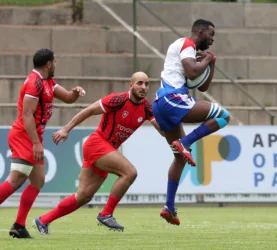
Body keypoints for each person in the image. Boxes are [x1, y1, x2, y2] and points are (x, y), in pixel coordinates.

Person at [33, 72, 163, 234]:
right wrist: (66, 129)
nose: (143, 87)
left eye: (146, 84)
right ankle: (106, 214)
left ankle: (43, 220)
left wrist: (177, 134)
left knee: (83, 196)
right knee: (130, 173)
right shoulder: (118, 99)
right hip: (97, 144)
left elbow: (162, 130)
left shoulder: (146, 107)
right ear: (131, 85)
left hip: (106, 150)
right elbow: (89, 110)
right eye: (139, 83)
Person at [0, 48, 86, 238]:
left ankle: (18, 226)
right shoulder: (34, 82)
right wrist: (36, 144)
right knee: (17, 179)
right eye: (55, 61)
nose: (56, 64)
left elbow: (67, 98)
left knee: (38, 181)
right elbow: (27, 115)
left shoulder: (47, 82)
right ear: (48, 64)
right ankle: (19, 226)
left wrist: (75, 92)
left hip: (32, 136)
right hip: (24, 135)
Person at [152, 19, 230, 226]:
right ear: (201, 31)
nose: (212, 39)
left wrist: (211, 63)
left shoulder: (190, 50)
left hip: (161, 104)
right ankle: (186, 142)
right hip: (173, 99)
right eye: (211, 34)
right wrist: (207, 60)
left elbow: (202, 87)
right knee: (224, 116)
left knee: (179, 159)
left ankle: (169, 207)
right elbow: (192, 72)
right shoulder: (186, 43)